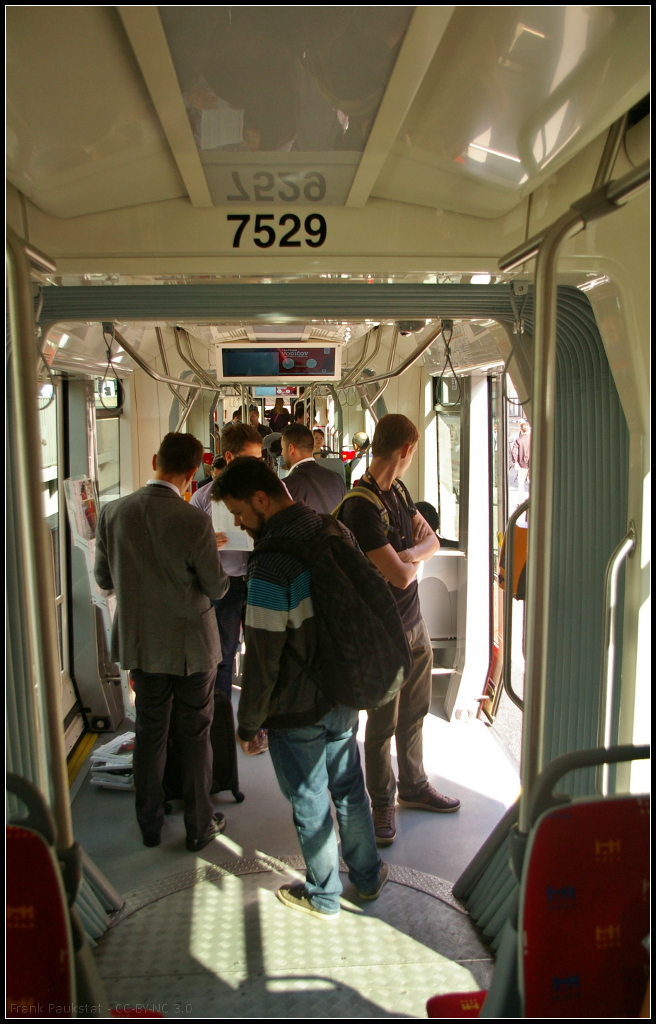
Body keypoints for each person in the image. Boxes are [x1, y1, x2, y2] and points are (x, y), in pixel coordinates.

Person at [214, 457, 388, 919]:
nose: (237, 522)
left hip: (296, 706)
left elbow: (265, 656)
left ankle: (324, 895)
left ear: (260, 499)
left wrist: (248, 722)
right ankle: (367, 877)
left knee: (310, 800)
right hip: (342, 687)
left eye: (238, 512)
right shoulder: (330, 528)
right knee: (349, 788)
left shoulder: (271, 562)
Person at [94, 432, 229, 852]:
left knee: (150, 732)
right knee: (195, 733)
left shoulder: (112, 512)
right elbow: (217, 587)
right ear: (194, 473)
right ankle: (198, 825)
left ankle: (149, 824)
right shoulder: (194, 520)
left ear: (155, 459)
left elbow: (104, 579)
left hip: (142, 645)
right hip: (192, 647)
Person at [336, 414, 461, 845]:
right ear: (406, 450)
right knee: (382, 723)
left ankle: (413, 784)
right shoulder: (361, 507)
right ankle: (382, 801)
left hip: (414, 623)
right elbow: (401, 576)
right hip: (380, 634)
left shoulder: (399, 491)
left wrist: (407, 552)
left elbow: (432, 542)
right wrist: (411, 557)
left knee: (415, 712)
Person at [202, 423, 269, 755]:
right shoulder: (203, 498)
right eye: (249, 459)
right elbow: (187, 551)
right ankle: (223, 728)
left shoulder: (264, 494)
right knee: (224, 656)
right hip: (224, 585)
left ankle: (260, 724)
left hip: (257, 580)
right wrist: (204, 545)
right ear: (229, 457)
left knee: (263, 653)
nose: (256, 466)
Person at [281, 424, 346, 514]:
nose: (282, 453)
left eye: (282, 448)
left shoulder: (285, 487)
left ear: (291, 448)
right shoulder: (337, 479)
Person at [512, 421, 531, 498]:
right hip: (531, 464)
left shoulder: (519, 439)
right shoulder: (533, 439)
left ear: (521, 430)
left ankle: (520, 501)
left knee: (521, 484)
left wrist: (516, 462)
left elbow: (513, 451)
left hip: (522, 464)